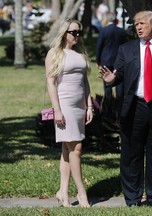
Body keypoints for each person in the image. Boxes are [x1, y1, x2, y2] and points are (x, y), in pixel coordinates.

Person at [100, 10, 152, 206]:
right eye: (135, 24)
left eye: (141, 23)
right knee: (131, 155)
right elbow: (118, 74)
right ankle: (133, 198)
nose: (137, 27)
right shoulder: (126, 49)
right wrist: (112, 79)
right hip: (134, 108)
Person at [45, 19, 93, 208]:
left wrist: (90, 106)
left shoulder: (80, 53)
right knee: (76, 149)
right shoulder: (54, 54)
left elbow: (85, 81)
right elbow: (51, 83)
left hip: (80, 106)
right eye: (73, 32)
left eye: (79, 32)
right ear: (64, 33)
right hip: (64, 106)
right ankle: (81, 193)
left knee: (67, 150)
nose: (77, 36)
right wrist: (56, 109)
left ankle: (62, 193)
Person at [96, 12, 127, 99]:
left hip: (106, 60)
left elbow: (99, 46)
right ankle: (119, 99)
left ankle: (108, 100)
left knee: (107, 81)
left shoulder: (103, 31)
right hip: (118, 60)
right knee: (119, 81)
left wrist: (98, 60)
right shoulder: (121, 31)